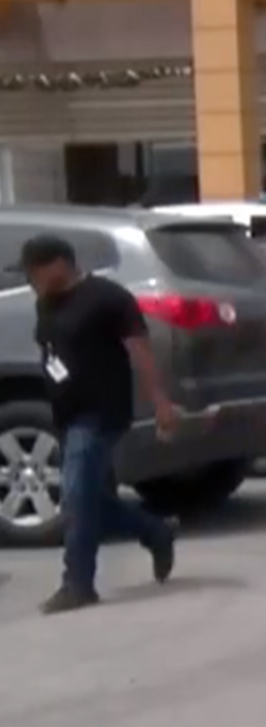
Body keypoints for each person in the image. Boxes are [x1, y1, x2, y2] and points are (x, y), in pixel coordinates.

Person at [22, 235, 180, 615]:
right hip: (67, 413)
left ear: (59, 264)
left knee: (76, 497)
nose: (31, 280)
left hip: (101, 412)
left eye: (34, 272)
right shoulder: (45, 302)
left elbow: (140, 351)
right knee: (90, 500)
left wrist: (160, 403)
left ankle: (77, 583)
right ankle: (155, 530)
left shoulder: (108, 298)